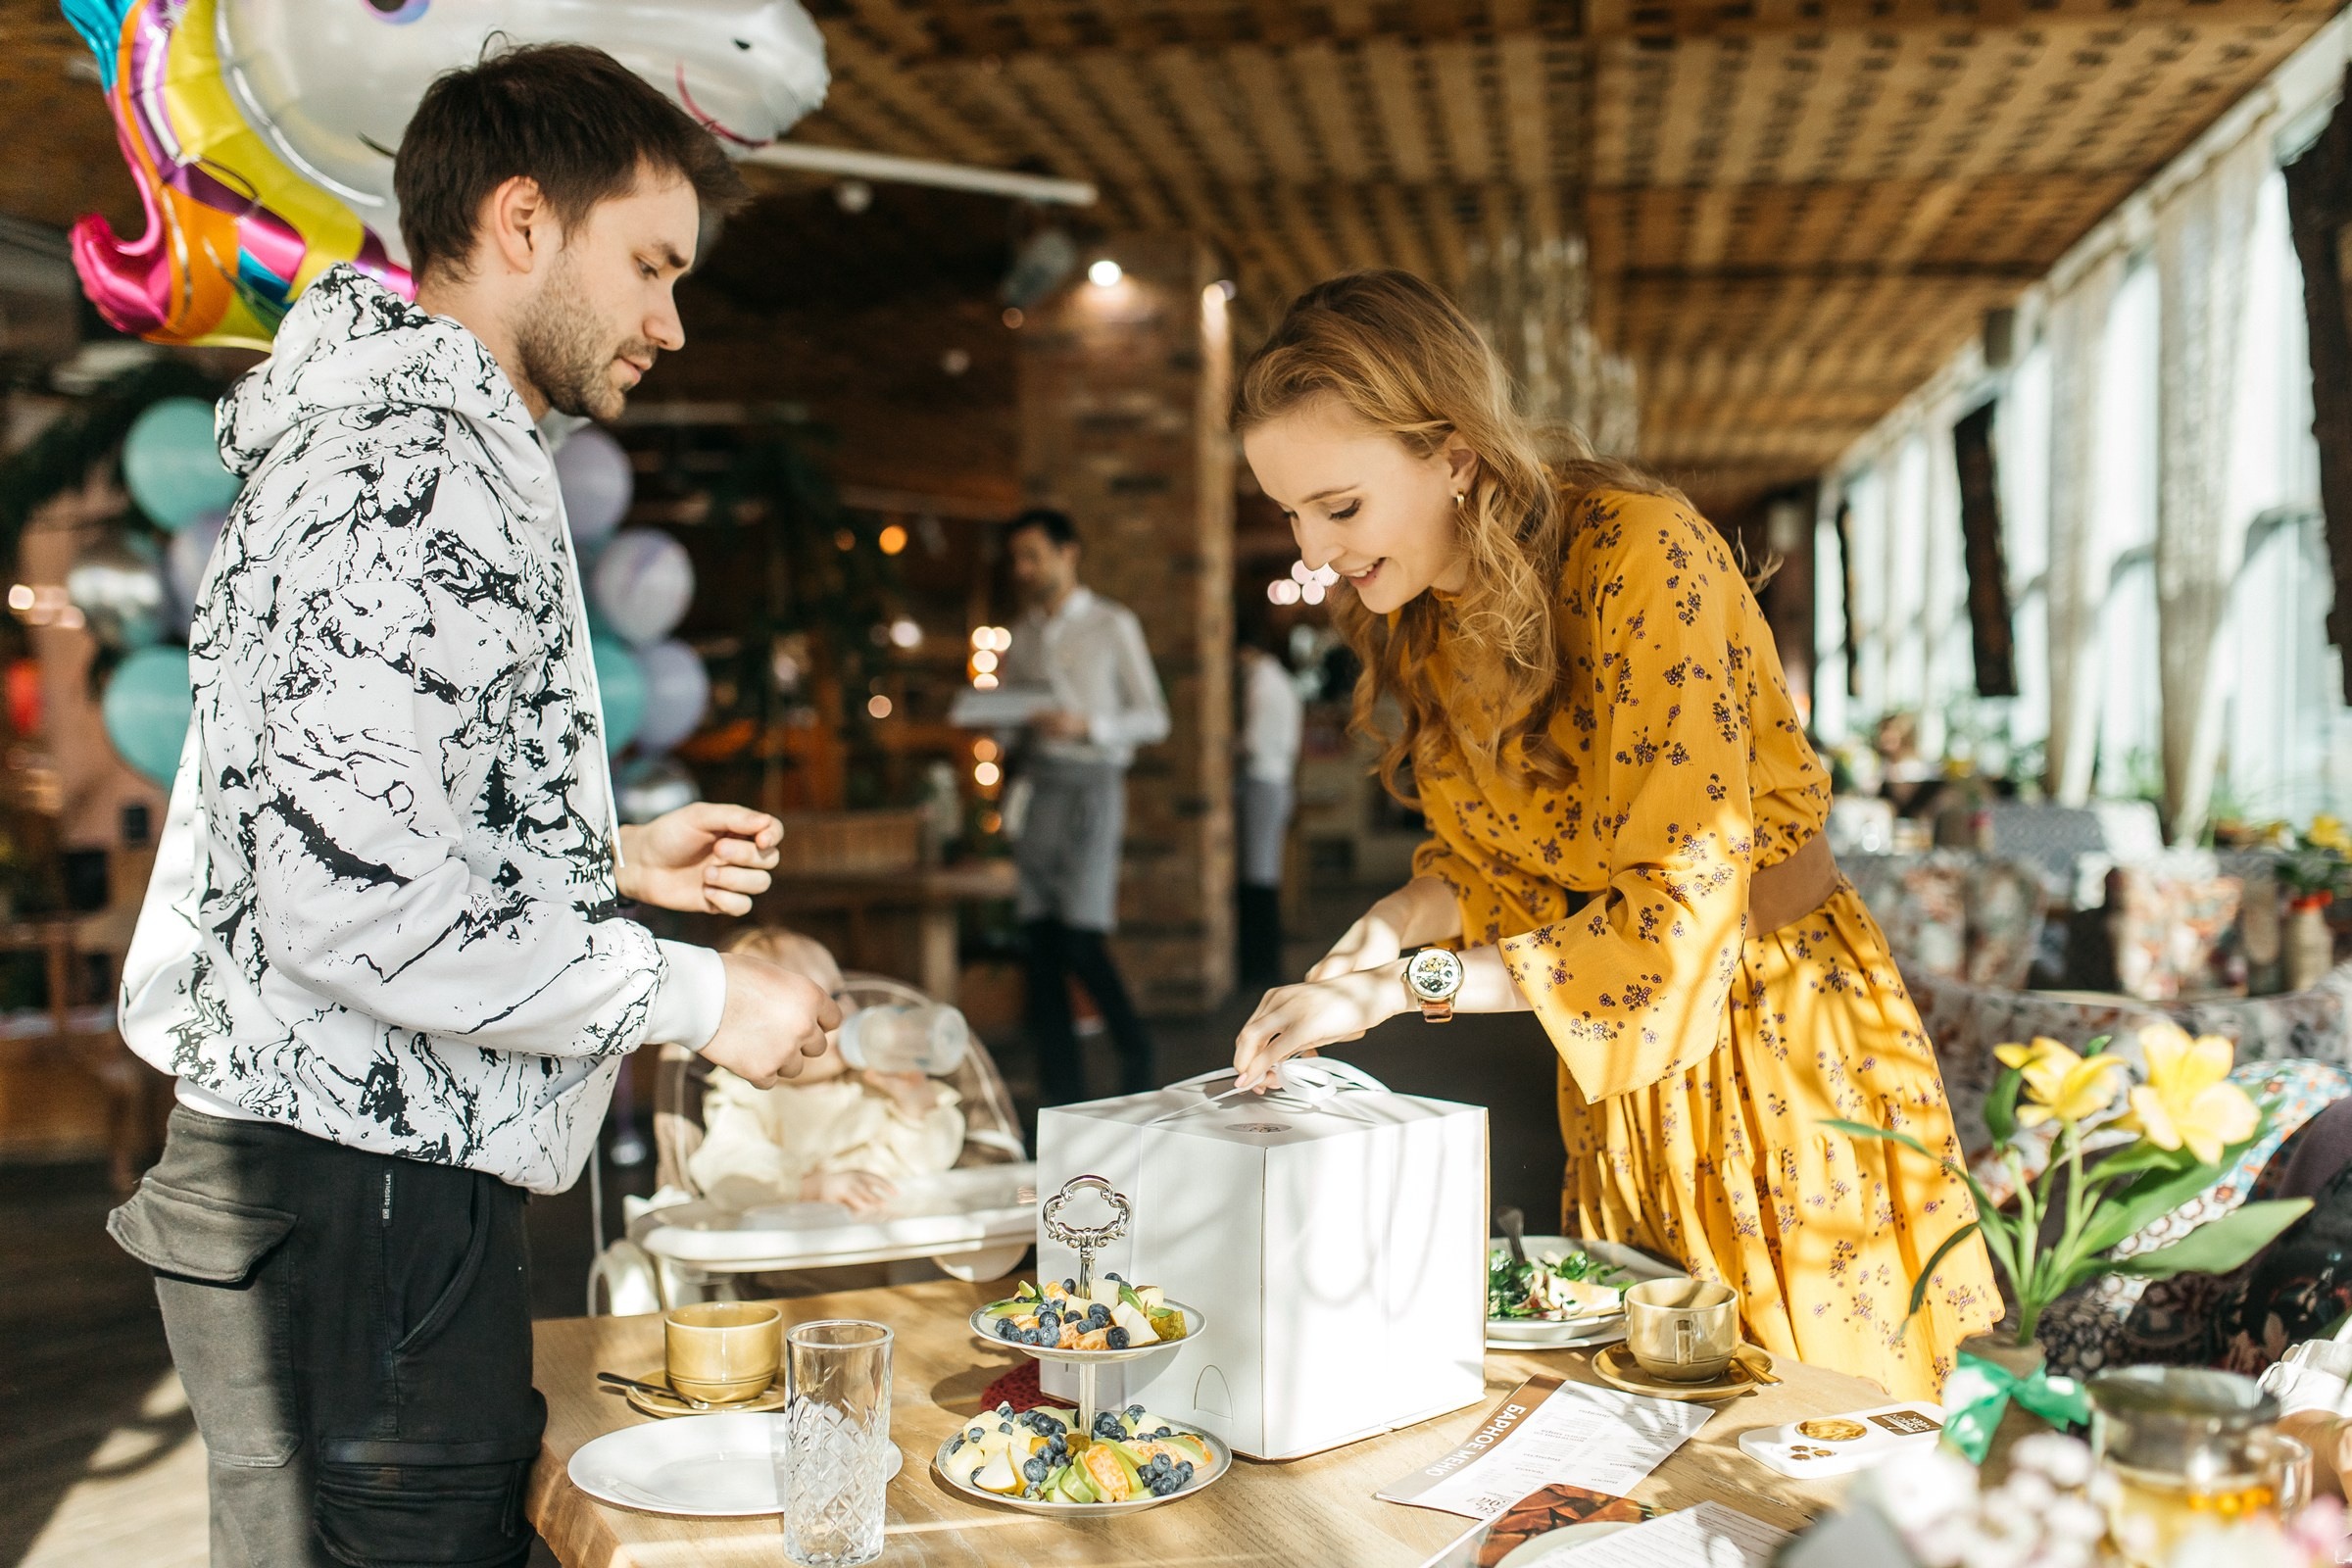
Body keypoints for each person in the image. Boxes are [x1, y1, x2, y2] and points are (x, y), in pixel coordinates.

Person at [106, 46, 841, 1568]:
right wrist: (703, 999)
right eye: (648, 264)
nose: (670, 320)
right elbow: (354, 905)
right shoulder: (406, 468)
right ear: (521, 223)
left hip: (349, 1189)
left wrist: (601, 852)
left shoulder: (413, 442)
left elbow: (331, 824)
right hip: (350, 1199)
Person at [1225, 270, 1996, 1400]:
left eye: (1339, 507)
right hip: (1618, 1075)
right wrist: (1391, 923)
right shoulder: (1425, 610)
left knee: (1815, 1446)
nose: (1313, 547)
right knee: (1656, 1434)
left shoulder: (1643, 556)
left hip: (1774, 1038)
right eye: (1289, 512)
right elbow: (1493, 859)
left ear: (1454, 453)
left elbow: (1679, 928)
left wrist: (1404, 989)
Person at [998, 507, 1170, 1103]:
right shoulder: (1020, 636)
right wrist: (997, 724)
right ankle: (1060, 1089)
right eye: (1016, 559)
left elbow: (1154, 717)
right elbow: (1014, 723)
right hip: (1038, 789)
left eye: (1032, 556)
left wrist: (1086, 724)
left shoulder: (1111, 624)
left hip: (1093, 786)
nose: (1022, 569)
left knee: (1079, 936)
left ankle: (1136, 1050)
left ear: (1068, 553)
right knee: (1039, 941)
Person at [688, 926, 965, 1215]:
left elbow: (931, 1164)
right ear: (755, 1038)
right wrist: (809, 1187)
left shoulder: (874, 1081)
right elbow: (726, 1171)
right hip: (801, 1248)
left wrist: (915, 1106)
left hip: (888, 1237)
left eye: (838, 993)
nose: (840, 1013)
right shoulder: (749, 1097)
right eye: (813, 1009)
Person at [1236, 618, 1304, 986]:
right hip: (1278, 780)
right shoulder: (1281, 682)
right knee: (1264, 871)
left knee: (1259, 873)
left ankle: (1261, 967)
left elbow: (1254, 742)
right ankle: (1263, 964)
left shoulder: (1260, 685)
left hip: (1263, 781)